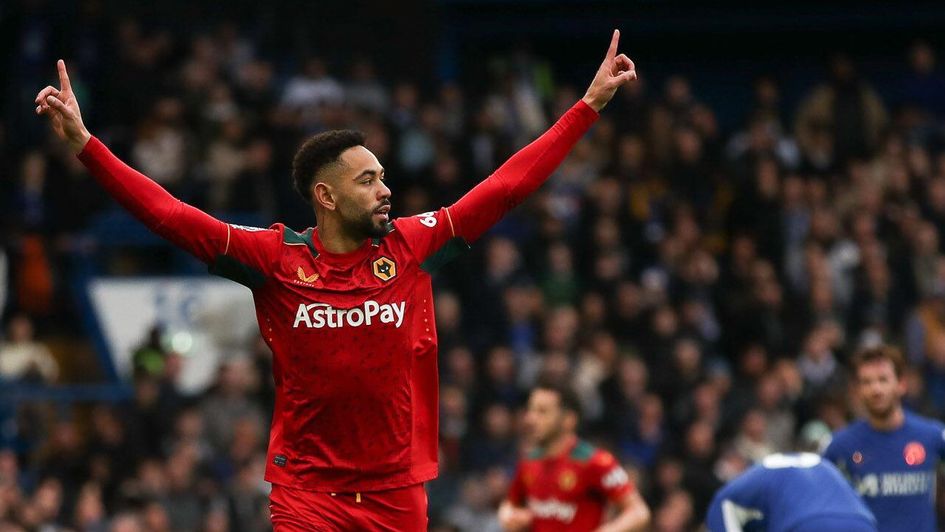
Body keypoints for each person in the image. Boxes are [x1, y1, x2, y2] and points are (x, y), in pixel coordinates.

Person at [34, 31, 637, 531]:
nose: (385, 191)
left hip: (396, 493)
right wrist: (87, 146)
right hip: (307, 494)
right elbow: (170, 215)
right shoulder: (274, 259)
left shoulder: (411, 245)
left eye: (383, 177)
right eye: (368, 181)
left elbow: (505, 187)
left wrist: (587, 107)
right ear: (326, 196)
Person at [823, 345, 945, 532]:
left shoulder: (932, 436)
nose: (876, 389)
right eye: (867, 382)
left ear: (901, 384)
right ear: (858, 390)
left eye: (883, 379)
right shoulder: (840, 445)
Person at [498, 384, 650, 532]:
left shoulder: (595, 462)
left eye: (542, 412)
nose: (530, 419)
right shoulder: (528, 462)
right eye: (531, 410)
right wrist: (508, 515)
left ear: (568, 420)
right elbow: (510, 505)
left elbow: (639, 512)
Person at [705, 452, 876, 532]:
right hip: (863, 522)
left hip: (807, 523)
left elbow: (720, 504)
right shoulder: (822, 466)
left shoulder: (745, 486)